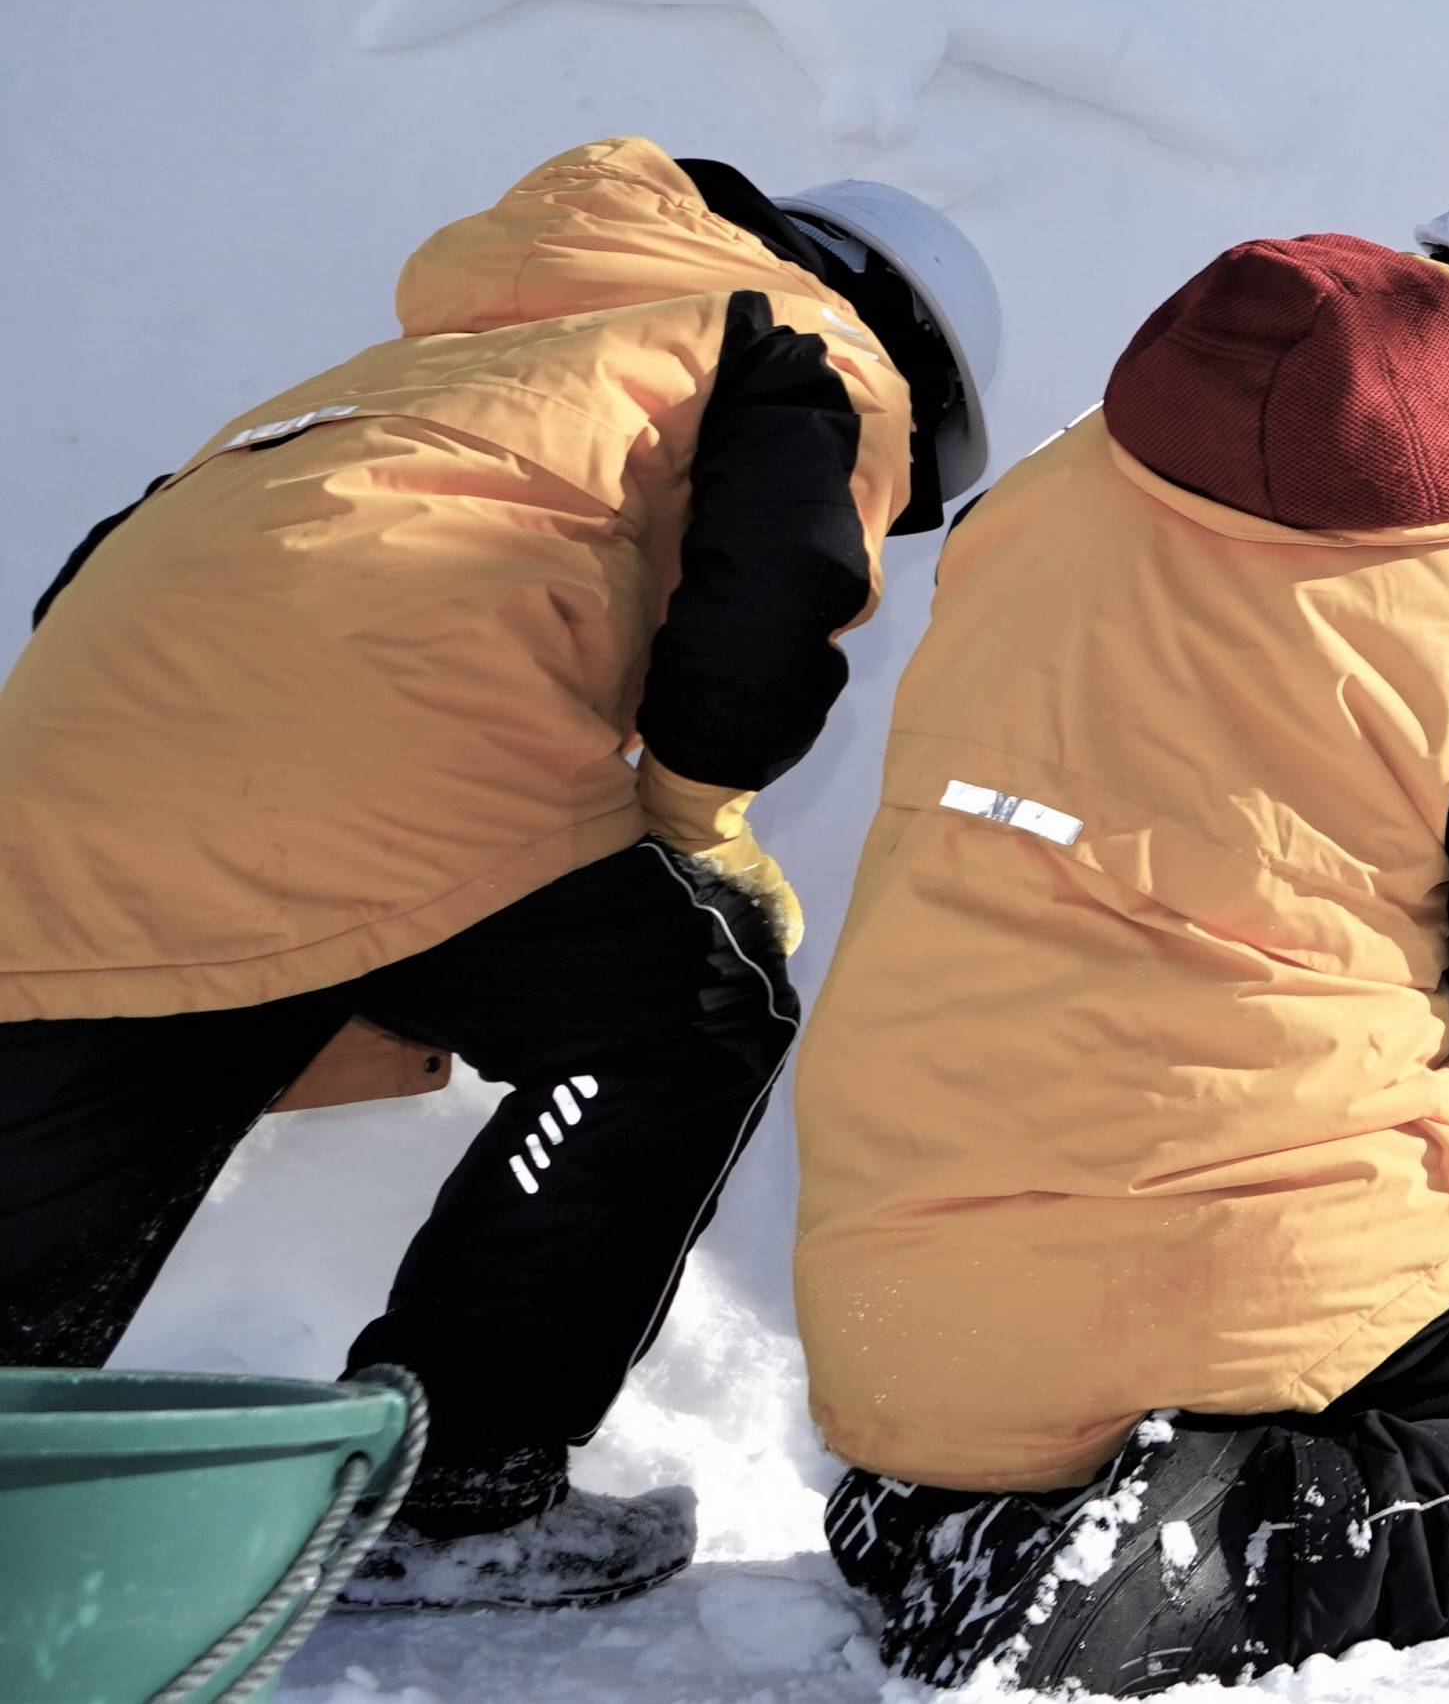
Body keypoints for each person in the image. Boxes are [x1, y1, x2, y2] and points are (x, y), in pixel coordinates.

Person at [799, 135, 1449, 1696]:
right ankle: (1224, 1551)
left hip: (896, 1312)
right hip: (1228, 1254)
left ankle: (961, 1520)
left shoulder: (1068, 473)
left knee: (1348, 1262)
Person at [0, 137, 995, 1609]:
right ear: (907, 338)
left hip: (79, 768)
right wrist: (696, 811)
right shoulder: (802, 336)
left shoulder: (444, 356)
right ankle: (457, 1497)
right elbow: (775, 584)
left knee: (169, 1019)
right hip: (390, 744)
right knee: (687, 1017)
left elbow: (101, 565)